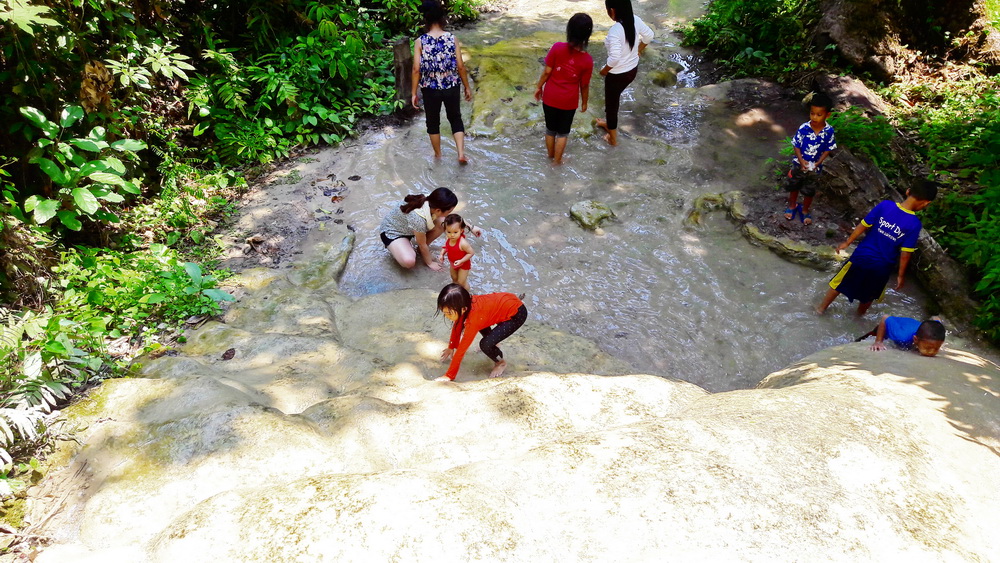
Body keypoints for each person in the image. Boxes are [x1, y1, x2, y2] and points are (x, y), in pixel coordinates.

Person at [817, 180, 939, 316]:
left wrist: (847, 242)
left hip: (861, 257)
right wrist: (900, 275)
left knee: (838, 284)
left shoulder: (885, 206)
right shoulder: (914, 224)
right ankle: (858, 317)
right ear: (926, 203)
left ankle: (820, 309)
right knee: (870, 294)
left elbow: (863, 225)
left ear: (908, 191)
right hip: (882, 267)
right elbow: (905, 253)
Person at [411, 0, 473, 163]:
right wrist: (467, 87)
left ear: (426, 19)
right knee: (455, 118)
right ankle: (460, 154)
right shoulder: (452, 39)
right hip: (451, 85)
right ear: (442, 18)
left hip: (430, 88)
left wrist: (413, 93)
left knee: (433, 122)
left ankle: (438, 156)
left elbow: (416, 69)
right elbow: (460, 66)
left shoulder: (420, 41)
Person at [534, 13, 594, 164]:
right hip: (568, 101)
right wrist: (585, 102)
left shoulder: (557, 48)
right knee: (563, 133)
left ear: (569, 31)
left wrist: (538, 87)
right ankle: (557, 162)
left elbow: (547, 72)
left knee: (550, 130)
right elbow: (584, 85)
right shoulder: (587, 60)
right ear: (588, 35)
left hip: (550, 97)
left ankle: (550, 156)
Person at [435, 284, 527, 381]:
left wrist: (449, 376)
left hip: (517, 314)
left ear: (463, 309)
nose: (446, 316)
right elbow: (457, 325)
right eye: (444, 312)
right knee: (482, 323)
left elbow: (462, 350)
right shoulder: (465, 304)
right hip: (506, 302)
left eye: (449, 313)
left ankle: (500, 363)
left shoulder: (473, 319)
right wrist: (451, 347)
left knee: (485, 344)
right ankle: (495, 342)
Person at [594, 0, 653, 146]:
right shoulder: (635, 20)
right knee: (613, 100)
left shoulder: (615, 31)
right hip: (632, 70)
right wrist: (639, 50)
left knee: (612, 106)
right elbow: (649, 36)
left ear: (612, 11)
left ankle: (613, 139)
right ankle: (609, 124)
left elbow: (614, 58)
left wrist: (604, 71)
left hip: (617, 75)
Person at [378, 187, 481, 270]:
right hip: (392, 232)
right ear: (438, 210)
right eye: (449, 211)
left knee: (442, 222)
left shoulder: (431, 199)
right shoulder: (418, 218)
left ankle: (414, 248)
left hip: (409, 228)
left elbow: (451, 218)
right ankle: (401, 247)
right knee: (409, 261)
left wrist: (471, 227)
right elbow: (422, 244)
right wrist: (430, 263)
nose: (449, 213)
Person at [783, 92, 837, 226]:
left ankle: (805, 210)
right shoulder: (804, 128)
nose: (814, 117)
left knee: (810, 189)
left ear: (827, 115)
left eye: (819, 114)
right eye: (812, 113)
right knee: (794, 185)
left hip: (815, 167)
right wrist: (801, 162)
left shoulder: (829, 131)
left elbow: (828, 148)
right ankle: (792, 206)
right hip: (799, 164)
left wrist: (819, 162)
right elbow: (796, 145)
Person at [857, 315, 945, 356]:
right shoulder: (901, 336)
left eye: (937, 348)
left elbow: (936, 319)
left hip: (916, 327)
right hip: (889, 326)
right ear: (915, 339)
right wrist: (878, 341)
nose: (932, 352)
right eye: (928, 348)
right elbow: (885, 318)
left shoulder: (934, 333)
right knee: (864, 337)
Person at [439, 214, 475, 291]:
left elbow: (471, 253)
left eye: (455, 232)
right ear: (445, 230)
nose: (452, 235)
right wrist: (442, 254)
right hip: (453, 263)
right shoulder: (448, 238)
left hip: (463, 264)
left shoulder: (463, 243)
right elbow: (446, 246)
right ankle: (455, 292)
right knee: (454, 279)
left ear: (461, 230)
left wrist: (461, 261)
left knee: (461, 282)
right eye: (449, 232)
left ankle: (468, 295)